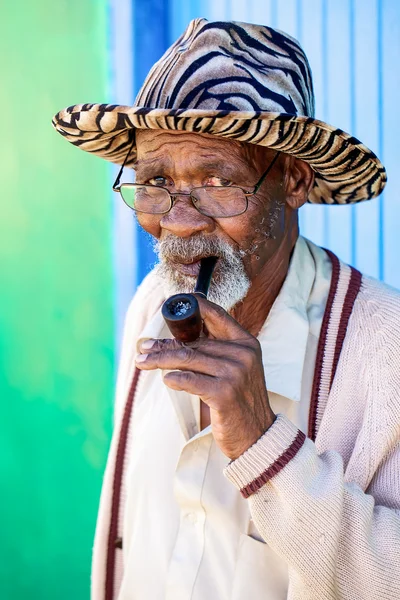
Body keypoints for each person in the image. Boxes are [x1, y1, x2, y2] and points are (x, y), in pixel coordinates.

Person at [53, 18, 400, 600]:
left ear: (292, 178)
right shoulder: (150, 306)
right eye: (155, 181)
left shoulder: (385, 349)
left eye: (218, 180)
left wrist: (262, 442)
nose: (178, 220)